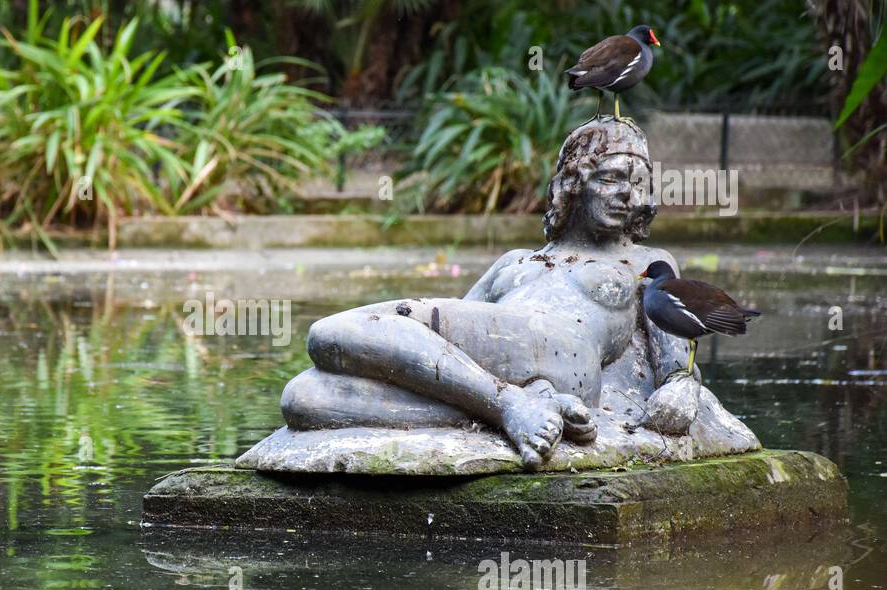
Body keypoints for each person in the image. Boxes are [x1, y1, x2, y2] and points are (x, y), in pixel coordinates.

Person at [279, 119, 694, 469]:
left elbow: (677, 367)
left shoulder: (646, 261)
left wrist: (682, 389)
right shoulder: (515, 261)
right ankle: (519, 409)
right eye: (612, 179)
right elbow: (445, 344)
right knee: (303, 400)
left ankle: (508, 406)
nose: (628, 194)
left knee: (328, 334)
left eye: (637, 183)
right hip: (508, 357)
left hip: (564, 351)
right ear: (573, 184)